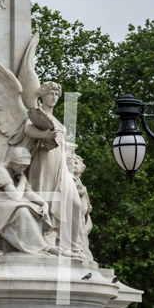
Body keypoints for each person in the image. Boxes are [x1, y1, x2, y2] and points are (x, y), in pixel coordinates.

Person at [24, 81, 87, 258]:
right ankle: (44, 242)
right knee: (44, 200)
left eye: (56, 95)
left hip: (61, 166)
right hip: (44, 161)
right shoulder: (36, 115)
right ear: (43, 95)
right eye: (51, 94)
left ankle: (74, 246)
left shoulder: (59, 122)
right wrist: (43, 135)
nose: (53, 97)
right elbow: (27, 129)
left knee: (74, 203)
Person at [0, 147, 59, 258]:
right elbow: (16, 196)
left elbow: (29, 193)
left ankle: (40, 244)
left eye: (25, 166)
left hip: (6, 204)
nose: (23, 168)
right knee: (22, 210)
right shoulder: (0, 171)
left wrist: (43, 203)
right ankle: (42, 247)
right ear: (12, 162)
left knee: (36, 209)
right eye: (20, 165)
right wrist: (22, 181)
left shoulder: (18, 172)